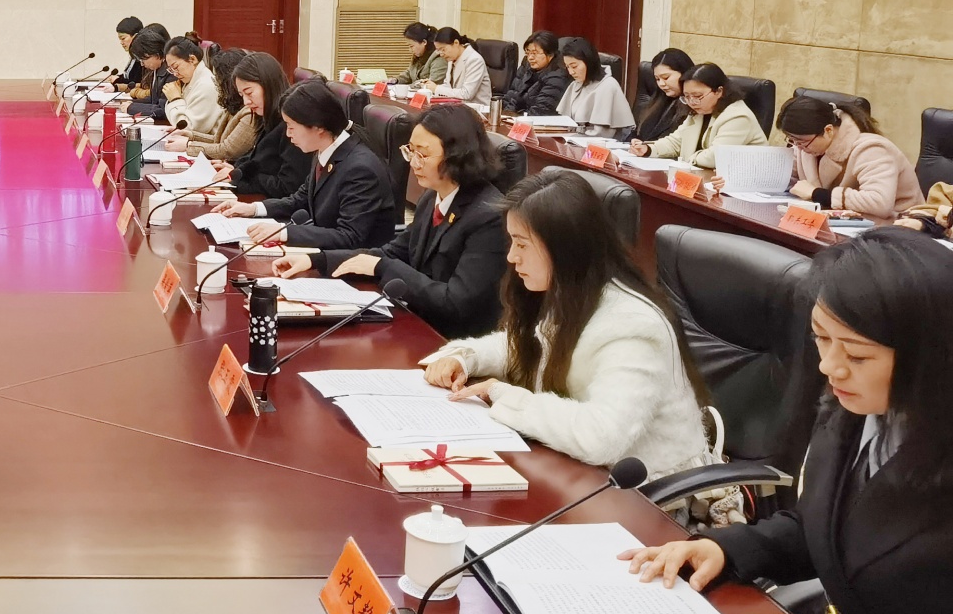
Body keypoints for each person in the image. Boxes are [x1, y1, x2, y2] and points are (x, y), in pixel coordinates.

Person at [623, 231, 953, 614]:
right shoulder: (856, 407)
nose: (828, 366)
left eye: (858, 355)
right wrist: (729, 549)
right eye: (821, 338)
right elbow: (831, 528)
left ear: (930, 356)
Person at [419, 167, 711, 477]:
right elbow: (527, 344)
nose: (511, 257)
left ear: (563, 248)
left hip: (654, 492)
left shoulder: (633, 327)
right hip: (585, 473)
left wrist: (505, 396)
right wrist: (466, 358)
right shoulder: (573, 291)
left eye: (521, 244)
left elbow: (601, 438)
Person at [274, 105, 509, 339]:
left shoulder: (488, 216)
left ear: (458, 156)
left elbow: (455, 302)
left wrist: (384, 267)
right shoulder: (432, 197)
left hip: (455, 341)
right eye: (411, 151)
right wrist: (315, 260)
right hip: (418, 321)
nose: (413, 163)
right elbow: (393, 252)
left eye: (423, 155)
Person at [210, 81, 395, 252]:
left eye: (291, 127)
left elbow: (349, 236)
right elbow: (300, 199)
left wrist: (283, 233)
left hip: (357, 266)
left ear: (318, 127)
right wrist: (253, 209)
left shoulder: (360, 169)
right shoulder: (325, 149)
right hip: (327, 254)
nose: (288, 134)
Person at [778, 96, 921, 220]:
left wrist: (817, 194)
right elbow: (786, 177)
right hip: (844, 223)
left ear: (828, 130)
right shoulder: (807, 145)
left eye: (801, 141)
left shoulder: (872, 148)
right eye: (792, 140)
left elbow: (879, 202)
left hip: (895, 225)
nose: (798, 147)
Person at [629, 63, 765, 170]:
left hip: (742, 186)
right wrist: (648, 149)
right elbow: (676, 142)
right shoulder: (699, 111)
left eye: (697, 96)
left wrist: (689, 158)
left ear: (719, 91)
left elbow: (716, 157)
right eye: (687, 96)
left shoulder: (738, 117)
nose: (692, 102)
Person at [216, 51, 310, 201]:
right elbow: (258, 159)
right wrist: (236, 169)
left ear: (269, 84)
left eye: (249, 93)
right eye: (242, 95)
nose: (246, 102)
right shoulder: (267, 117)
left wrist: (239, 181)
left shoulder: (292, 125)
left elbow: (288, 187)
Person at [166, 48, 254, 162]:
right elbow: (219, 139)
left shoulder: (250, 111)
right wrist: (190, 135)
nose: (216, 83)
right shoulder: (234, 103)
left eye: (218, 79)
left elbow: (227, 149)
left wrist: (189, 145)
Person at [555, 37, 635, 136]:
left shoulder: (608, 86)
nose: (571, 72)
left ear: (589, 62)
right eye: (568, 67)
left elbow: (601, 134)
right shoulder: (576, 84)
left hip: (597, 141)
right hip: (576, 139)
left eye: (574, 66)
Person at [160, 36, 221, 137]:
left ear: (192, 59)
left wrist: (175, 99)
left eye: (175, 67)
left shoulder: (206, 84)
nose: (175, 74)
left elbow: (188, 128)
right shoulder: (191, 80)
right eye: (171, 70)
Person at [632, 47, 695, 143]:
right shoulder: (659, 98)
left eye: (666, 77)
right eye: (657, 79)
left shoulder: (695, 105)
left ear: (684, 73)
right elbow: (639, 133)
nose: (661, 84)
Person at [500, 31, 569, 115]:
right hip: (516, 117)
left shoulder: (557, 77)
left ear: (550, 54)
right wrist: (503, 114)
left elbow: (540, 111)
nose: (530, 58)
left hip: (536, 120)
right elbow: (512, 95)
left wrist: (511, 117)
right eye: (528, 53)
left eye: (534, 53)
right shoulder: (527, 65)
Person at [423, 26, 492, 105]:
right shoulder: (452, 59)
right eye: (438, 50)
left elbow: (466, 94)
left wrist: (436, 88)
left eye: (443, 49)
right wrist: (431, 87)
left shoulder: (474, 60)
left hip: (476, 109)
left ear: (456, 43)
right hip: (456, 107)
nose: (441, 54)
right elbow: (448, 86)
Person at [125, 26, 172, 119]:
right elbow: (154, 99)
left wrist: (132, 108)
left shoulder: (170, 72)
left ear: (156, 55)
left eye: (143, 60)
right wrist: (132, 103)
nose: (142, 64)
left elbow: (163, 110)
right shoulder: (157, 69)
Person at [393, 22, 448, 86]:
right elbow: (409, 73)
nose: (410, 50)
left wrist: (411, 86)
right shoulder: (418, 56)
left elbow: (432, 84)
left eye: (411, 46)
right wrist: (396, 80)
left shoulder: (439, 59)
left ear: (424, 42)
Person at [111, 16, 145, 89]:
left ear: (135, 36)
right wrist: (118, 77)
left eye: (123, 38)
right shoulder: (133, 55)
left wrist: (118, 80)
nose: (121, 42)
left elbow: (137, 82)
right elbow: (128, 76)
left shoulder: (142, 57)